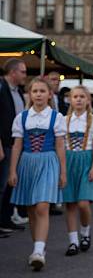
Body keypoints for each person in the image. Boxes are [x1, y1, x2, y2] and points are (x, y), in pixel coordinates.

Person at [8, 77, 67, 271]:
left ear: (50, 94)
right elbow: (16, 146)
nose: (39, 95)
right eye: (35, 91)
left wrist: (62, 171)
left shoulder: (56, 117)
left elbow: (60, 146)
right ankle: (38, 247)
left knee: (42, 206)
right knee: (32, 209)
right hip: (27, 162)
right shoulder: (22, 117)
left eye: (42, 91)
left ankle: (39, 250)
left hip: (48, 161)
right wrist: (13, 170)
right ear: (30, 94)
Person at [62, 86, 93, 256]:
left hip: (86, 161)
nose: (78, 99)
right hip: (69, 160)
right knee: (70, 204)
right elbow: (61, 144)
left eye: (82, 96)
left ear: (88, 100)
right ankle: (73, 241)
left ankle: (85, 232)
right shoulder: (64, 120)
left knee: (83, 203)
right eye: (75, 96)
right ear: (70, 100)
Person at [0, 58, 27, 236]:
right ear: (13, 72)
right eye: (23, 72)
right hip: (4, 144)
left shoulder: (17, 91)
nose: (26, 75)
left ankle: (6, 219)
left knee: (11, 183)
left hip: (15, 143)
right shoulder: (1, 89)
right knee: (1, 185)